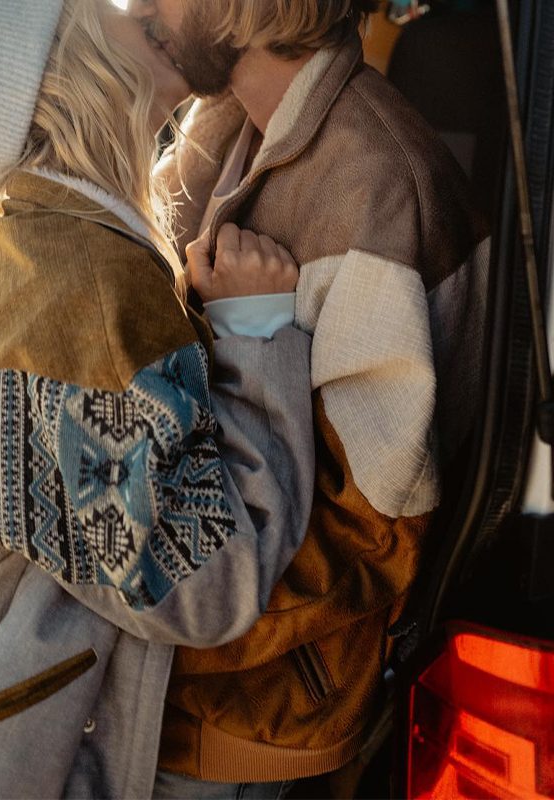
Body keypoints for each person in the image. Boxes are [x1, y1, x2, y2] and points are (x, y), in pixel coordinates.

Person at [0, 0, 316, 798]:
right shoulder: (83, 282)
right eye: (107, 8)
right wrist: (257, 335)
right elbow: (202, 589)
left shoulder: (34, 227)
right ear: (66, 59)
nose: (143, 10)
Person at [125, 0, 490, 794]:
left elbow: (371, 539)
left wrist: (156, 628)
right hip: (159, 697)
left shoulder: (375, 193)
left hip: (248, 718)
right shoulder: (219, 120)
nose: (140, 3)